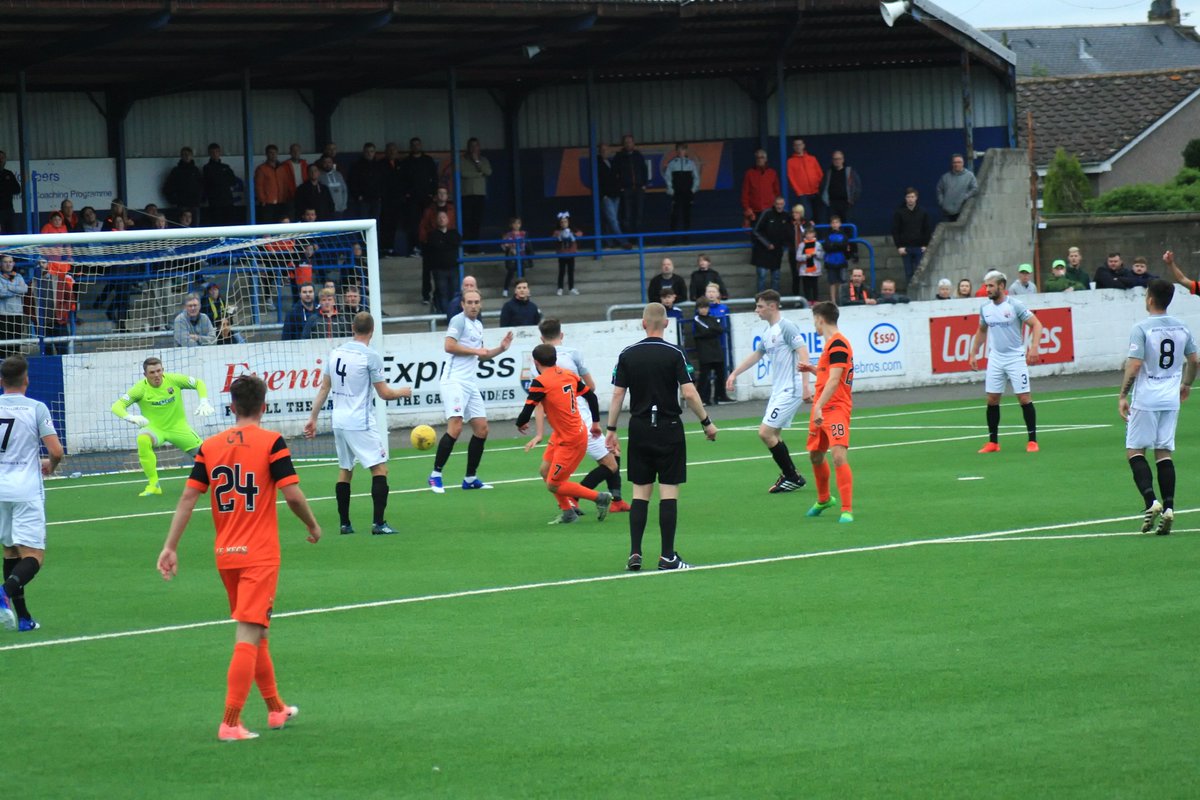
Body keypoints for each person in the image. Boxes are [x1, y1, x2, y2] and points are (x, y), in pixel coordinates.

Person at [157, 373, 321, 742]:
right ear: (264, 407)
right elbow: (292, 495)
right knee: (249, 632)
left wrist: (170, 546)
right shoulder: (271, 442)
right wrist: (313, 525)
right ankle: (230, 722)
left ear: (232, 407)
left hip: (226, 556)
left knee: (258, 631)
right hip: (259, 555)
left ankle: (276, 709)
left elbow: (188, 498)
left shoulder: (210, 446)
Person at [605, 302, 717, 572]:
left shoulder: (627, 354)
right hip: (669, 427)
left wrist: (611, 429)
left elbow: (618, 394)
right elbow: (689, 393)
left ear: (643, 323)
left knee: (640, 492)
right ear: (666, 323)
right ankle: (667, 556)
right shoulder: (675, 353)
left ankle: (635, 553)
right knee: (668, 491)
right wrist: (706, 422)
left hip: (639, 427)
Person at [303, 312, 413, 535]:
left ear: (353, 328)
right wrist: (403, 392)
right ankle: (379, 524)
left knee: (345, 470)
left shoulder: (335, 352)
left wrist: (312, 418)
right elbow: (384, 394)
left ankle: (345, 524)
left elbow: (324, 387)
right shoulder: (371, 356)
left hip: (339, 421)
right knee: (379, 469)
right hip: (359, 421)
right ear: (372, 331)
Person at [1119, 278, 1198, 537]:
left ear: (1150, 299)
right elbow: (1194, 360)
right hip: (1170, 399)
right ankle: (1170, 508)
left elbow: (1135, 365)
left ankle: (1151, 502)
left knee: (1135, 450)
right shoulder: (1182, 327)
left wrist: (1123, 395)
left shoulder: (1141, 328)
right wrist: (1187, 383)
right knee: (1164, 452)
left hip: (1146, 399)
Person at [529, 319, 628, 517]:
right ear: (562, 335)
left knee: (547, 471)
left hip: (562, 425)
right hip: (580, 420)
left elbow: (539, 403)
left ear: (541, 338)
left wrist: (539, 433)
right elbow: (591, 387)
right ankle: (578, 497)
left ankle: (615, 501)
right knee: (612, 462)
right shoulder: (573, 354)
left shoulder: (537, 365)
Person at [515, 344, 614, 524]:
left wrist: (520, 424)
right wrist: (596, 424)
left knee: (554, 484)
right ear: (555, 358)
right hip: (563, 433)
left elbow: (527, 411)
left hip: (571, 439)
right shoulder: (568, 374)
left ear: (535, 362)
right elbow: (591, 397)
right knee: (545, 472)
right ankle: (568, 512)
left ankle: (599, 498)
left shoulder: (541, 382)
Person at [725, 289, 812, 493]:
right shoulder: (768, 332)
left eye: (760, 306)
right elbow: (757, 354)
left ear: (772, 306)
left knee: (765, 432)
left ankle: (792, 476)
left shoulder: (786, 326)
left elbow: (803, 353)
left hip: (791, 388)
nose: (757, 310)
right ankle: (791, 476)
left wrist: (806, 386)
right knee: (774, 434)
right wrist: (734, 373)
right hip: (779, 389)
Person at [0, 356, 63, 633]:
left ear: (1, 381)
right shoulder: (36, 408)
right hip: (25, 490)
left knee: (10, 551)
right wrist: (51, 465)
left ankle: (24, 618)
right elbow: (56, 451)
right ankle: (3, 592)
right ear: (26, 379)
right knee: (34, 556)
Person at [428, 290, 514, 493]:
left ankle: (470, 478)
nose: (473, 306)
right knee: (456, 427)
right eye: (469, 302)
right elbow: (449, 346)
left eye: (476, 302)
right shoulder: (459, 321)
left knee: (482, 429)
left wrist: (501, 349)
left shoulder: (478, 325)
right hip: (453, 381)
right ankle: (435, 475)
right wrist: (476, 350)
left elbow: (481, 356)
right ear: (463, 304)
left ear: (480, 304)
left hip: (469, 382)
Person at [111, 356, 215, 496]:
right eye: (152, 372)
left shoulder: (174, 380)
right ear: (145, 374)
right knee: (143, 439)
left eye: (159, 371)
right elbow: (117, 406)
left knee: (204, 455)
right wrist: (130, 417)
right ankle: (153, 485)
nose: (156, 375)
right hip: (155, 429)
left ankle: (217, 481)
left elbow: (198, 383)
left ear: (163, 370)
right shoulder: (140, 389)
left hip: (178, 427)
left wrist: (204, 401)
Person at [969, 270, 1044, 453]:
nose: (987, 289)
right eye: (986, 286)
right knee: (992, 399)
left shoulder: (1015, 305)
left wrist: (1034, 347)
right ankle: (993, 442)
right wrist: (973, 352)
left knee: (1024, 398)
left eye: (991, 286)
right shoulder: (985, 308)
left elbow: (1036, 324)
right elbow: (981, 330)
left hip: (1015, 357)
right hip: (995, 358)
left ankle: (1032, 441)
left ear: (1001, 286)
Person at [798, 302, 856, 523]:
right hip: (823, 407)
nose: (814, 325)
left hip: (835, 408)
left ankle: (847, 509)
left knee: (838, 455)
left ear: (820, 319)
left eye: (814, 320)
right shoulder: (831, 345)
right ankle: (824, 499)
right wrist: (813, 369)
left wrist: (818, 406)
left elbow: (834, 381)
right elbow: (829, 375)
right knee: (815, 454)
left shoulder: (838, 343)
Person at [891, 188, 932, 285]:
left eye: (912, 197)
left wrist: (925, 245)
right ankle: (910, 292)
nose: (910, 199)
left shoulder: (923, 212)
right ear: (905, 198)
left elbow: (927, 229)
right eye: (908, 197)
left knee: (920, 272)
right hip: (905, 248)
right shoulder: (899, 213)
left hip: (919, 247)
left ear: (916, 198)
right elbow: (895, 230)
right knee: (908, 273)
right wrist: (899, 246)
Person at [751, 196, 792, 292]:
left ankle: (775, 298)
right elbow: (756, 231)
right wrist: (767, 243)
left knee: (776, 277)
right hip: (762, 251)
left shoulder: (786, 215)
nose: (779, 206)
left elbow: (795, 225)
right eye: (777, 204)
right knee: (762, 276)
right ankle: (761, 298)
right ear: (774, 204)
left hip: (777, 251)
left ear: (784, 204)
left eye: (781, 204)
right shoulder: (767, 213)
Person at [458, 137, 492, 252]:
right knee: (466, 222)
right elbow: (463, 173)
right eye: (471, 146)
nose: (473, 148)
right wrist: (478, 174)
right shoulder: (462, 160)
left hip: (479, 195)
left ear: (479, 147)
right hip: (466, 195)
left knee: (476, 222)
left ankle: (474, 248)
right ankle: (465, 248)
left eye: (476, 145)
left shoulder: (484, 160)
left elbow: (488, 172)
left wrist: (477, 162)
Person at [692, 297, 727, 406]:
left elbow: (720, 330)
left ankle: (720, 396)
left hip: (716, 350)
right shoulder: (697, 319)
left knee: (720, 374)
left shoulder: (712, 317)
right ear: (697, 309)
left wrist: (711, 331)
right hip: (705, 351)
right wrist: (713, 330)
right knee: (704, 376)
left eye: (706, 307)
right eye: (701, 307)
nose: (704, 310)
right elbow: (705, 330)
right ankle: (702, 398)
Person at [424, 210, 461, 314]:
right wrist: (447, 244)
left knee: (455, 293)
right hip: (439, 269)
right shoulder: (432, 235)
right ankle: (445, 315)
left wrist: (443, 242)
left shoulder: (454, 233)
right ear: (436, 220)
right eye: (439, 217)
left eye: (444, 217)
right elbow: (436, 245)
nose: (441, 219)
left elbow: (457, 242)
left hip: (453, 268)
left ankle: (454, 314)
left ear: (448, 220)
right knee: (442, 293)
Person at [662, 142, 700, 238]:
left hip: (687, 193)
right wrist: (671, 189)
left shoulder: (691, 163)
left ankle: (686, 239)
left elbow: (696, 178)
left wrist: (692, 190)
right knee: (674, 215)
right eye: (679, 149)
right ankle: (672, 239)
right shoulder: (672, 163)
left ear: (685, 151)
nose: (680, 151)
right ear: (676, 151)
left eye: (682, 149)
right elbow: (667, 177)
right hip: (676, 193)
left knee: (686, 215)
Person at [611, 134, 646, 237]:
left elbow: (644, 170)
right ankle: (629, 240)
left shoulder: (638, 155)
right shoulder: (619, 157)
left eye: (630, 142)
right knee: (627, 216)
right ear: (623, 144)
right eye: (626, 142)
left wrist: (644, 184)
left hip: (639, 189)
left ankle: (639, 240)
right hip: (626, 189)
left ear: (633, 143)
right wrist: (620, 187)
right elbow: (614, 173)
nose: (628, 144)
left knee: (639, 215)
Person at [596, 143, 628, 248]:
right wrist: (602, 195)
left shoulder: (610, 162)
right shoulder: (597, 163)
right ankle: (623, 242)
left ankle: (609, 242)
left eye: (606, 149)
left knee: (610, 220)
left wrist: (619, 189)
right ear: (600, 151)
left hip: (615, 194)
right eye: (603, 150)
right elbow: (597, 181)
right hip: (606, 196)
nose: (605, 152)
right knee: (613, 220)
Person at [818, 150, 861, 223]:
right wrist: (826, 200)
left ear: (843, 160)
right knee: (832, 226)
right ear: (832, 160)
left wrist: (852, 200)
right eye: (835, 159)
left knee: (847, 225)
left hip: (846, 204)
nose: (837, 161)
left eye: (839, 159)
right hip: (832, 204)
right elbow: (822, 187)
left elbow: (857, 187)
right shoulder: (828, 173)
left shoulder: (850, 172)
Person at [740, 149, 780, 228]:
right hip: (754, 212)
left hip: (769, 210)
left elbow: (777, 192)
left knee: (771, 232)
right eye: (757, 158)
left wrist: (776, 207)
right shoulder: (749, 173)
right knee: (756, 233)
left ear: (766, 159)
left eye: (762, 157)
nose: (759, 159)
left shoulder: (772, 173)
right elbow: (745, 193)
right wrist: (747, 208)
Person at [786, 138, 823, 223]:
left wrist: (819, 187)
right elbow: (791, 177)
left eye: (800, 144)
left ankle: (818, 232)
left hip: (816, 192)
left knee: (818, 215)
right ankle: (807, 232)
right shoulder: (790, 161)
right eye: (796, 145)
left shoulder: (812, 159)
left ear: (803, 145)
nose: (798, 147)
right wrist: (799, 191)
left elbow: (819, 174)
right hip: (803, 194)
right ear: (793, 147)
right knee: (807, 216)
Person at [163, 146, 203, 224]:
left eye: (189, 154)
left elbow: (201, 186)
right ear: (181, 156)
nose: (187, 156)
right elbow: (168, 188)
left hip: (195, 204)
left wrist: (200, 199)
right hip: (181, 204)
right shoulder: (176, 171)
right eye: (184, 154)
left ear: (191, 156)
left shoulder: (196, 170)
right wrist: (174, 200)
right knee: (182, 225)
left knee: (195, 227)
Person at [203, 143, 239, 226]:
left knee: (229, 223)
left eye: (216, 152)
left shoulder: (225, 167)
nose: (215, 154)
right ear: (209, 153)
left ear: (219, 152)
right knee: (217, 224)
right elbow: (210, 182)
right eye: (212, 152)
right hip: (214, 201)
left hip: (227, 200)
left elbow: (233, 181)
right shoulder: (207, 168)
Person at [253, 144, 291, 223]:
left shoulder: (282, 168)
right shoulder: (261, 169)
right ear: (266, 154)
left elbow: (286, 183)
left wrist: (286, 197)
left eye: (275, 153)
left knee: (281, 223)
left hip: (281, 201)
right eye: (270, 153)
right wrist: (262, 200)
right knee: (268, 224)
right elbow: (258, 186)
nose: (273, 155)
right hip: (268, 203)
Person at [348, 142, 384, 223]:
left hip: (376, 199)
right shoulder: (357, 166)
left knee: (375, 221)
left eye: (371, 151)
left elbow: (383, 182)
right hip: (363, 200)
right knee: (364, 221)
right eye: (367, 151)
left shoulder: (379, 166)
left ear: (374, 152)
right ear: (363, 152)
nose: (369, 154)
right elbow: (352, 182)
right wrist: (357, 195)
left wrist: (381, 195)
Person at [936, 153, 977, 222]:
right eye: (954, 162)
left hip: (961, 212)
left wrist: (964, 197)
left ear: (963, 163)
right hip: (946, 213)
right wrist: (942, 203)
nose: (956, 164)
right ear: (952, 164)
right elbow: (939, 190)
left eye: (959, 162)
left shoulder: (969, 176)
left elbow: (974, 189)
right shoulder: (945, 177)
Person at [0, 255, 29, 353]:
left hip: (17, 314)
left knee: (16, 345)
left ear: (13, 263)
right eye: (5, 262)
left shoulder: (18, 276)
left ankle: (15, 362)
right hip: (3, 314)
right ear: (1, 264)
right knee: (3, 345)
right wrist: (16, 290)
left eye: (10, 262)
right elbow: (1, 293)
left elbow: (24, 289)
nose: (8, 264)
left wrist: (8, 286)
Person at [822, 215, 854, 304]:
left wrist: (833, 245)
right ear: (830, 224)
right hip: (830, 261)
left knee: (842, 281)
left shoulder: (844, 235)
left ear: (840, 224)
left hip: (842, 260)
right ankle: (833, 301)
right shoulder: (827, 235)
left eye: (836, 222)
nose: (835, 224)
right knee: (832, 282)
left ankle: (842, 300)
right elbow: (827, 247)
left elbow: (844, 245)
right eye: (833, 223)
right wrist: (838, 245)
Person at [500, 217, 532, 298]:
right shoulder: (508, 235)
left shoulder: (524, 233)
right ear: (511, 225)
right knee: (510, 273)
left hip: (522, 256)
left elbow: (527, 244)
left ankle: (525, 291)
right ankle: (505, 290)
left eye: (519, 223)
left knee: (522, 275)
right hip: (512, 257)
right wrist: (509, 248)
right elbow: (503, 246)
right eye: (515, 223)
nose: (517, 225)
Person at [553, 211, 582, 295]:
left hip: (571, 254)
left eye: (565, 222)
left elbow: (580, 233)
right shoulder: (557, 231)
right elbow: (554, 236)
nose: (564, 224)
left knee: (570, 272)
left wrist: (572, 234)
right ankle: (560, 288)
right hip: (562, 255)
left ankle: (571, 288)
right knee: (561, 272)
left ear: (568, 222)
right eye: (562, 222)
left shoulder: (573, 230)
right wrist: (560, 235)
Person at [794, 221, 823, 303]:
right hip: (805, 270)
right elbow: (798, 257)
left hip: (815, 269)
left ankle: (816, 301)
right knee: (806, 287)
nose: (809, 235)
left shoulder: (818, 244)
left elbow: (821, 255)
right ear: (805, 235)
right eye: (807, 234)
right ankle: (808, 301)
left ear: (814, 234)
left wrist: (815, 254)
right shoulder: (801, 245)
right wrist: (806, 256)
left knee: (815, 286)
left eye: (811, 233)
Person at [0, 150, 23, 234]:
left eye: (2, 158)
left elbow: (17, 189)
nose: (1, 160)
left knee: (12, 233)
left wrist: (5, 188)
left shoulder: (9, 174)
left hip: (8, 209)